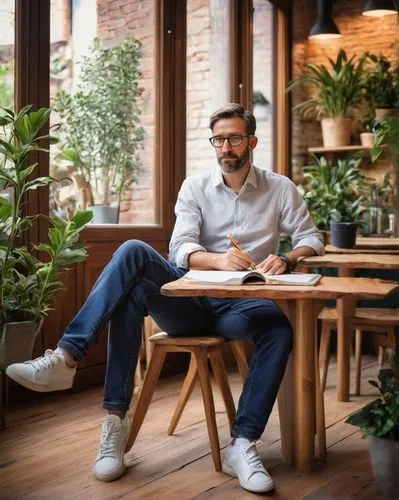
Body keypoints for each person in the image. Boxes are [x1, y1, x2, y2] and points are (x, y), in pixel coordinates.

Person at [6, 103, 324, 493]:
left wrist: (287, 258)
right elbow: (179, 248)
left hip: (242, 305)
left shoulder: (279, 188)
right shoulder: (195, 187)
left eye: (235, 138)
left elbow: (312, 238)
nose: (226, 147)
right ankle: (72, 363)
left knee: (277, 328)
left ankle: (242, 444)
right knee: (133, 251)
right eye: (219, 139)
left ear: (251, 141)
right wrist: (217, 259)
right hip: (189, 303)